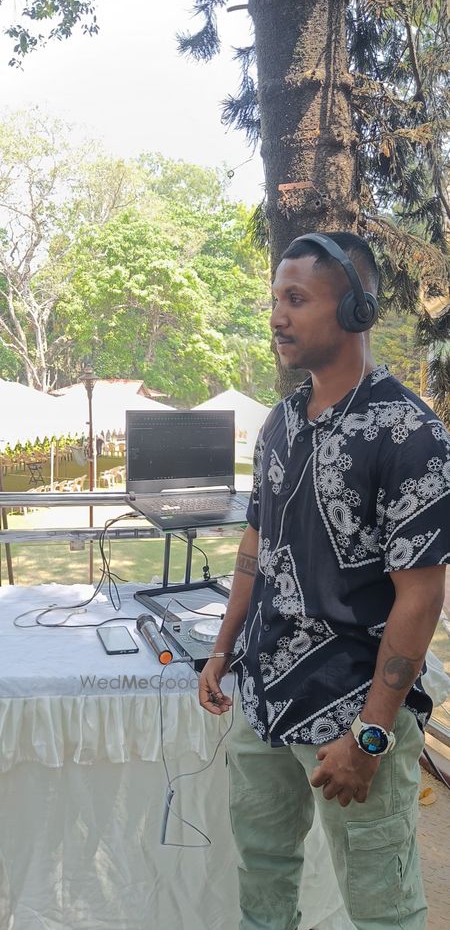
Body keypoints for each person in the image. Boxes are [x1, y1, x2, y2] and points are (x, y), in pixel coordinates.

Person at [199, 232, 449, 930]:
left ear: (355, 309)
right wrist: (223, 648)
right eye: (275, 298)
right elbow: (257, 542)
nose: (277, 316)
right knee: (263, 879)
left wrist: (371, 737)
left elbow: (422, 594)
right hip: (262, 702)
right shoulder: (279, 422)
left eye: (296, 299)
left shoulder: (410, 433)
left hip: (353, 713)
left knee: (382, 909)